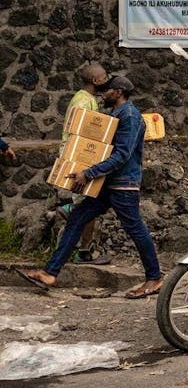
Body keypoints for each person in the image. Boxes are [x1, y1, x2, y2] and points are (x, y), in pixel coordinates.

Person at [18, 76, 163, 298]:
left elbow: (122, 155)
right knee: (77, 217)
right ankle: (50, 273)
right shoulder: (117, 114)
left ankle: (154, 278)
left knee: (135, 229)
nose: (102, 94)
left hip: (123, 185)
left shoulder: (130, 116)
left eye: (106, 91)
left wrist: (89, 173)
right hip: (108, 183)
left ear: (119, 91)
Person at [58, 63, 110, 264]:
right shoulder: (82, 101)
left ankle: (84, 251)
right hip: (79, 156)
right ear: (96, 80)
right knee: (85, 205)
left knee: (90, 205)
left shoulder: (89, 99)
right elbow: (78, 131)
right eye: (104, 77)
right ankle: (70, 211)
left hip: (83, 156)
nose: (107, 80)